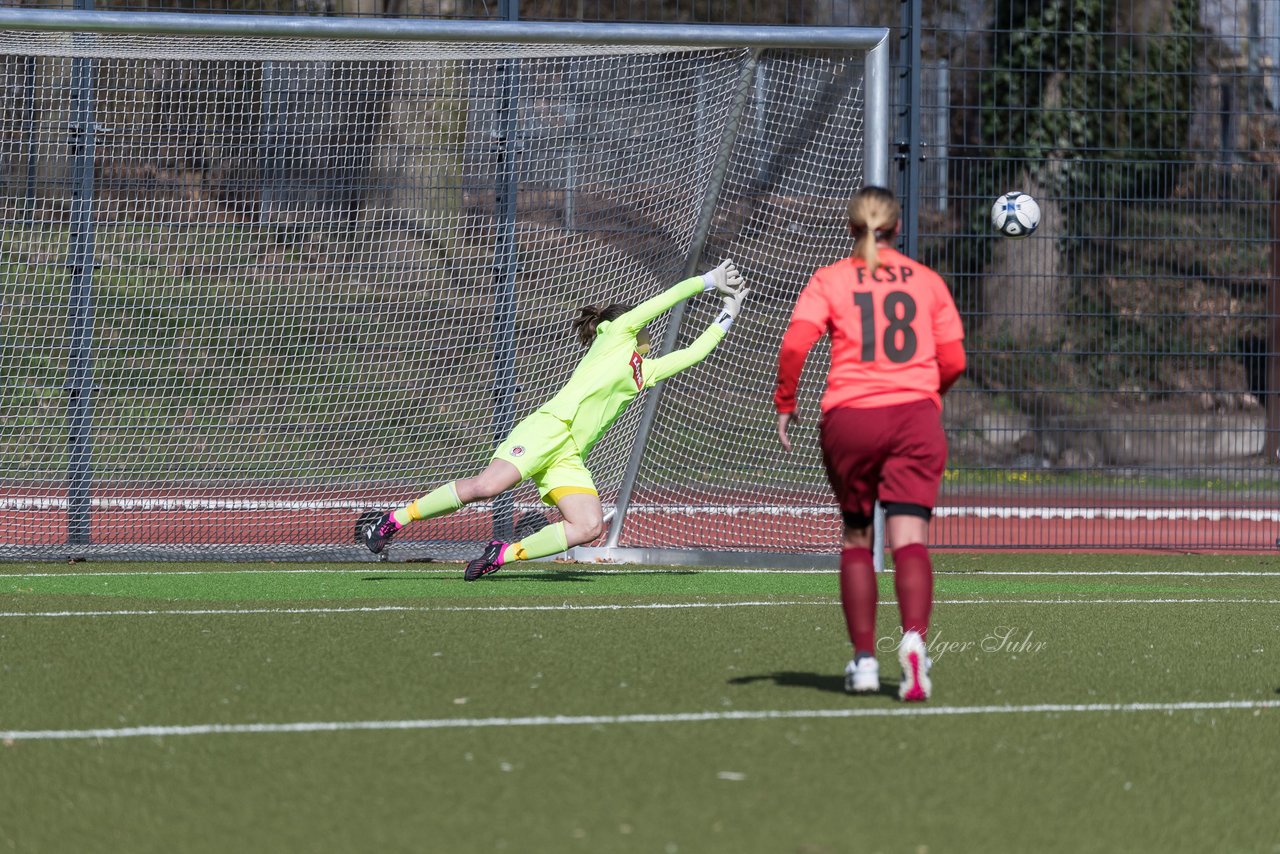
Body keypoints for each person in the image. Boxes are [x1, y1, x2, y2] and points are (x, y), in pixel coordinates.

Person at [362, 260, 750, 581]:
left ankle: (503, 553)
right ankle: (393, 520)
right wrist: (708, 281)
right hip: (549, 427)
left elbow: (693, 354)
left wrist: (727, 313)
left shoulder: (643, 371)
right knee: (488, 486)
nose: (648, 332)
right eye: (644, 328)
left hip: (569, 455)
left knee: (588, 527)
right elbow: (663, 301)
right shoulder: (615, 333)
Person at [774, 186, 965, 702]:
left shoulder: (830, 279)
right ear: (897, 229)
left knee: (858, 538)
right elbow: (954, 360)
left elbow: (795, 344)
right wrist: (929, 397)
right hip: (915, 421)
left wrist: (786, 403)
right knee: (910, 540)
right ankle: (914, 644)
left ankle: (862, 660)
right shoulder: (926, 282)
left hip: (851, 420)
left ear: (850, 228)